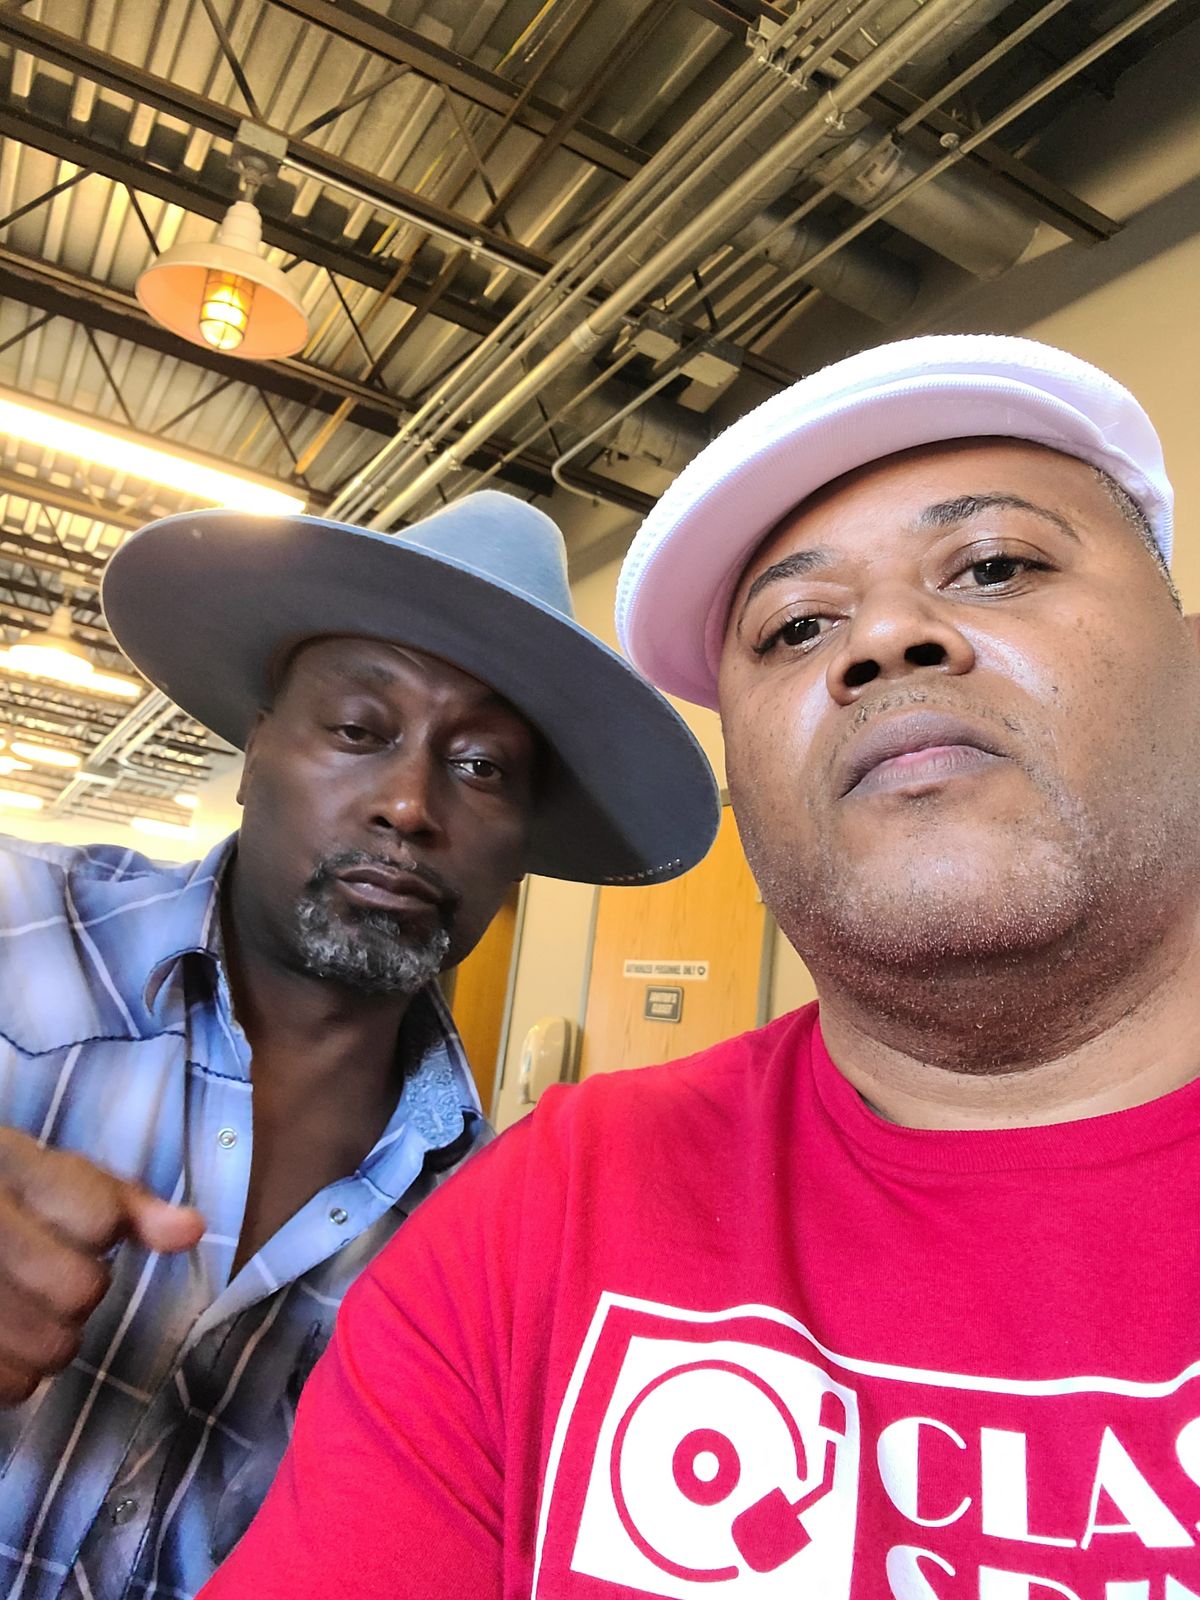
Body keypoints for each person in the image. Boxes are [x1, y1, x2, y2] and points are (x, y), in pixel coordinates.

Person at [200, 334, 1200, 1600]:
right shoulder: (542, 1215)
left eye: (996, 564)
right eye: (797, 627)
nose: (885, 637)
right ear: (747, 787)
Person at [0, 488, 718, 1600]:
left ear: (521, 846)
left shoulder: (487, 1224)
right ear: (255, 752)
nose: (410, 805)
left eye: (482, 767)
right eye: (357, 730)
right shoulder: (20, 927)